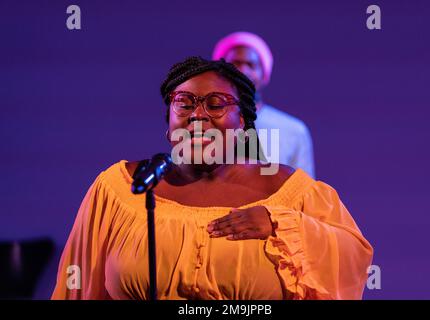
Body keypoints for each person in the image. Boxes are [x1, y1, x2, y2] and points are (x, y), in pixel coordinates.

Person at [51, 57, 373, 300]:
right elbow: (75, 290)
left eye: (216, 104)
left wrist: (282, 224)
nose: (198, 115)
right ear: (169, 123)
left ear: (244, 123)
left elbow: (352, 259)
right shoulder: (122, 188)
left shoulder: (292, 192)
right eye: (184, 103)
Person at [213, 31, 316, 178]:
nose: (242, 71)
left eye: (251, 65)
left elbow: (305, 192)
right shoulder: (204, 123)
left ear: (264, 74)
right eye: (235, 63)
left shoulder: (294, 130)